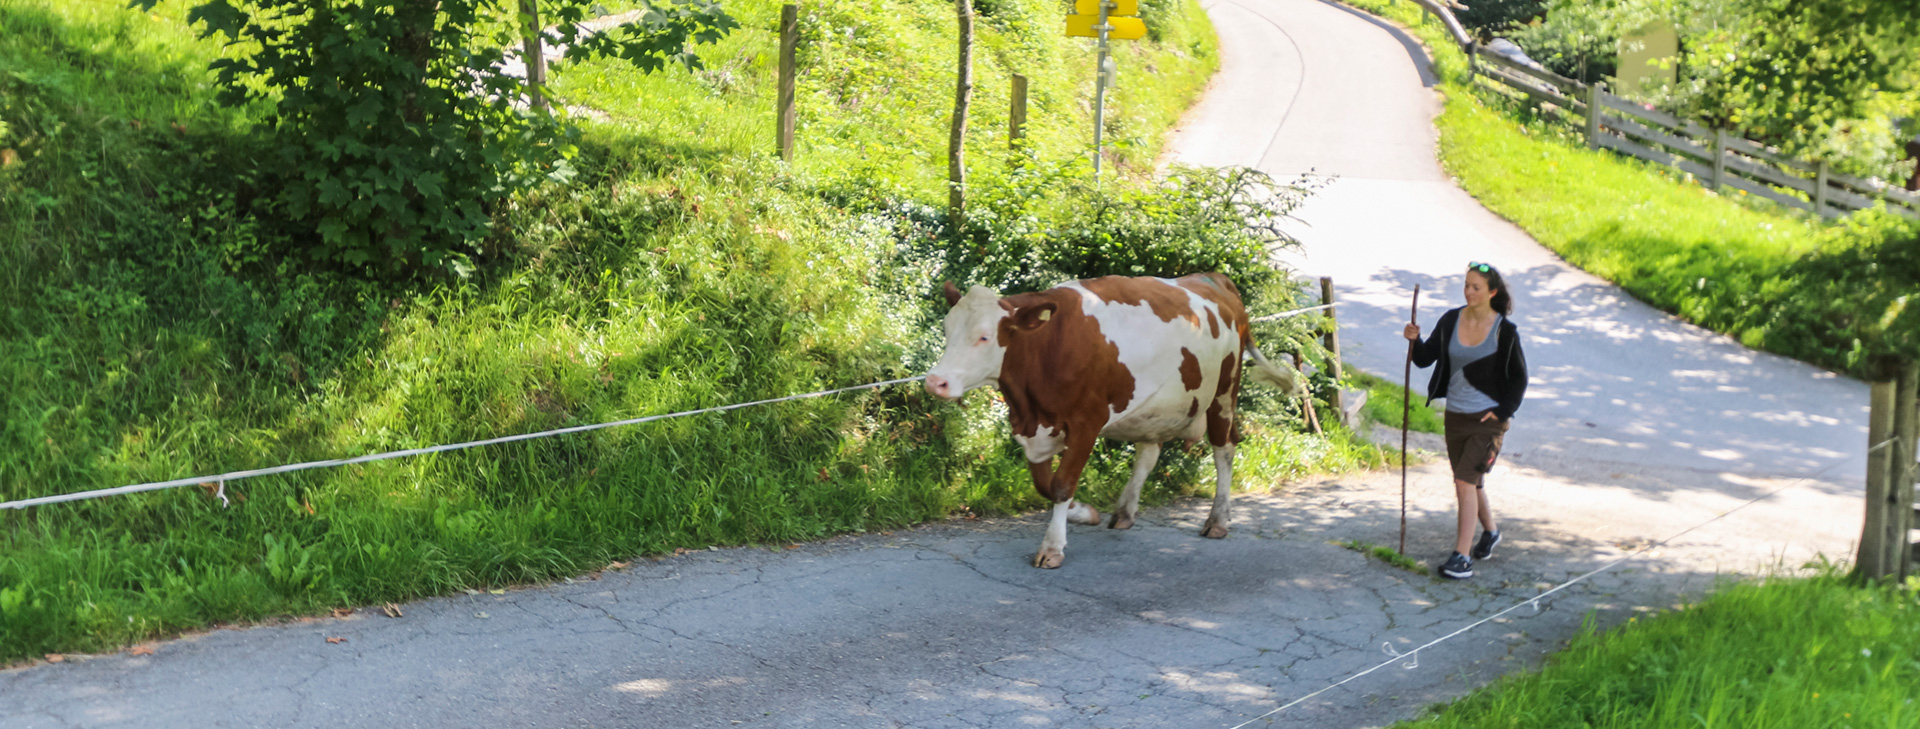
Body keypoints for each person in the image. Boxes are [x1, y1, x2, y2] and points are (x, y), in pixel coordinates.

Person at [1402, 262, 1528, 580]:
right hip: (1455, 416)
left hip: (1488, 419)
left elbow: (1519, 379)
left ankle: (1462, 557)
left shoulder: (1504, 331)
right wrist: (1413, 340)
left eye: (1476, 287)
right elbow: (1424, 359)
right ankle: (1491, 531)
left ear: (1492, 293)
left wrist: (1501, 412)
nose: (1469, 292)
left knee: (1463, 482)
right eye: (1466, 285)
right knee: (1469, 480)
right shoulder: (1450, 320)